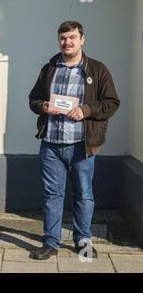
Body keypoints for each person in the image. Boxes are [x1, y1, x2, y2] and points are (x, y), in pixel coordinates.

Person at [29, 21, 120, 260]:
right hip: (51, 144)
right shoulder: (49, 68)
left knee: (84, 195)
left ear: (82, 39)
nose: (67, 42)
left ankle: (83, 241)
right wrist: (43, 106)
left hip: (82, 145)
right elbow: (33, 100)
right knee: (52, 195)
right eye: (62, 38)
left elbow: (112, 102)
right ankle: (50, 242)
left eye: (72, 37)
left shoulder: (97, 70)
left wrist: (86, 110)